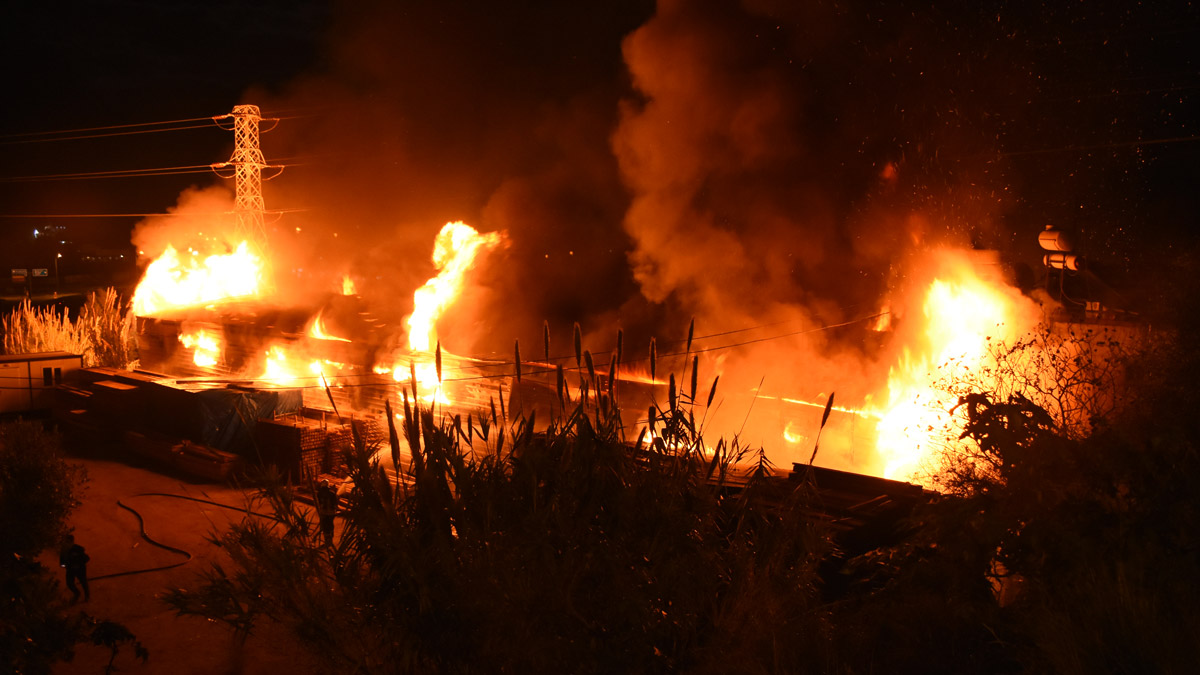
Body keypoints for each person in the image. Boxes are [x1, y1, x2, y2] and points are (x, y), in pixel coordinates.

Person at [59, 534, 90, 602]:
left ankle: (87, 596)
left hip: (79, 569)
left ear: (72, 542)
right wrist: (65, 566)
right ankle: (77, 593)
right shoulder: (63, 550)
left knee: (83, 582)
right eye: (65, 541)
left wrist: (78, 564)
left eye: (68, 541)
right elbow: (62, 562)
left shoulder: (78, 549)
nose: (66, 543)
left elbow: (87, 558)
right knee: (69, 583)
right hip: (70, 570)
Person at [316, 479, 339, 546]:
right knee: (330, 525)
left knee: (325, 526)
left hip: (324, 512)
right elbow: (335, 503)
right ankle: (330, 539)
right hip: (331, 512)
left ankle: (327, 540)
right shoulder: (332, 493)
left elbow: (319, 502)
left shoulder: (319, 493)